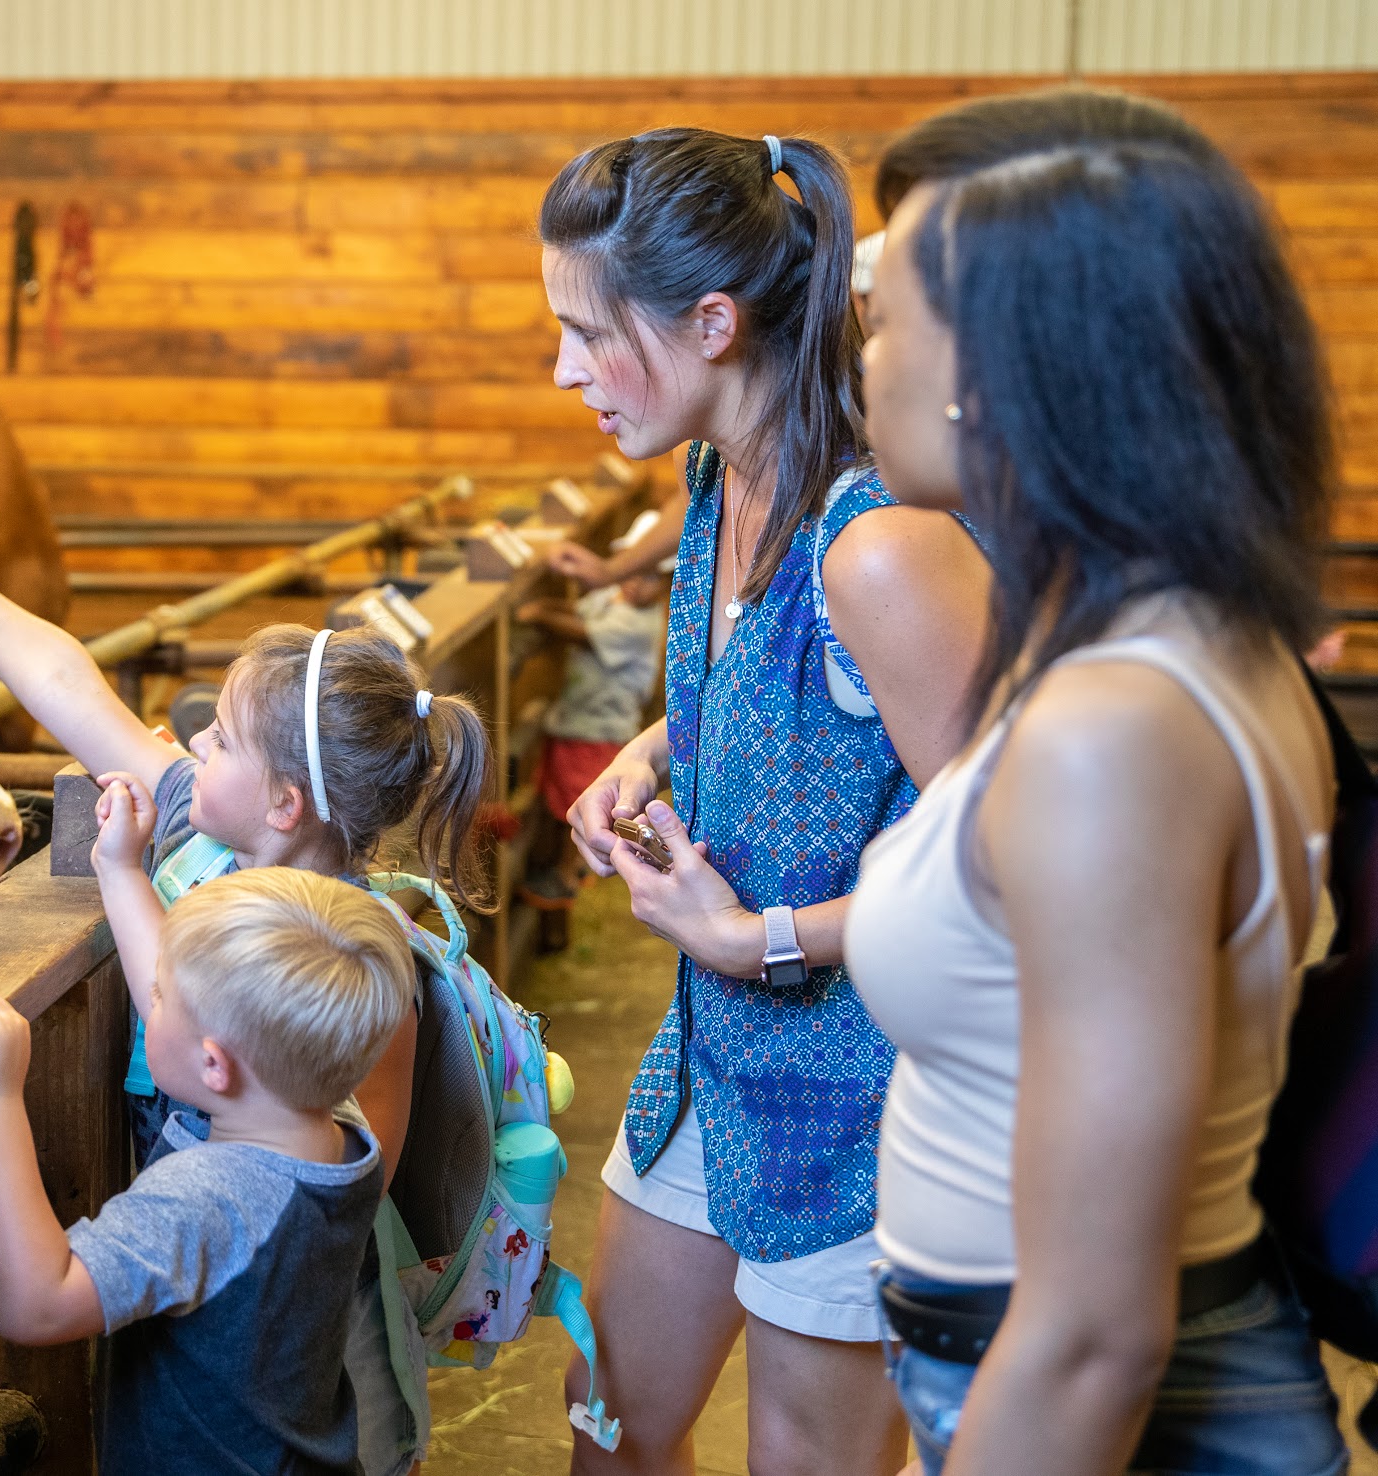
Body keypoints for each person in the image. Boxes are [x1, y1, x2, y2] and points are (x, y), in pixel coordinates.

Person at [847, 90, 1349, 1476]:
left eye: (886, 318)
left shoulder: (1110, 728)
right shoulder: (1161, 630)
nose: (863, 356)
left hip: (1090, 1405)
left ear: (1001, 366)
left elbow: (1093, 1338)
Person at [542, 127, 992, 1473]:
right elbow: (764, 681)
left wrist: (759, 939)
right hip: (711, 1059)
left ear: (712, 323)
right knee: (607, 1419)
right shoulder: (714, 477)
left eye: (587, 331)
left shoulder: (879, 549)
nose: (564, 369)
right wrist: (651, 752)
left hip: (868, 1102)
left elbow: (1004, 865)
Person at [0, 516, 491, 1476]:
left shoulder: (353, 963)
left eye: (218, 740)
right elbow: (69, 684)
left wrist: (15, 1100)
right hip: (193, 1282)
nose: (186, 741)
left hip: (283, 1322)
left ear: (284, 802)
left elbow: (340, 1207)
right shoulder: (210, 837)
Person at [0, 862, 416, 1476]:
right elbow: (198, 1034)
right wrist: (118, 868)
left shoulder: (206, 1199)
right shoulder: (342, 1139)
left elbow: (35, 1305)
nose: (148, 1002)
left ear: (215, 1065)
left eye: (158, 998)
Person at [514, 540, 670, 946]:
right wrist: (547, 607)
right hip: (578, 721)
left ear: (663, 585)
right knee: (564, 798)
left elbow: (582, 632)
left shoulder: (638, 624)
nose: (635, 584)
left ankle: (569, 875)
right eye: (632, 572)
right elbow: (578, 612)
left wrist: (538, 615)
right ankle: (565, 872)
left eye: (649, 578)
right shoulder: (610, 598)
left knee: (584, 797)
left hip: (603, 728)